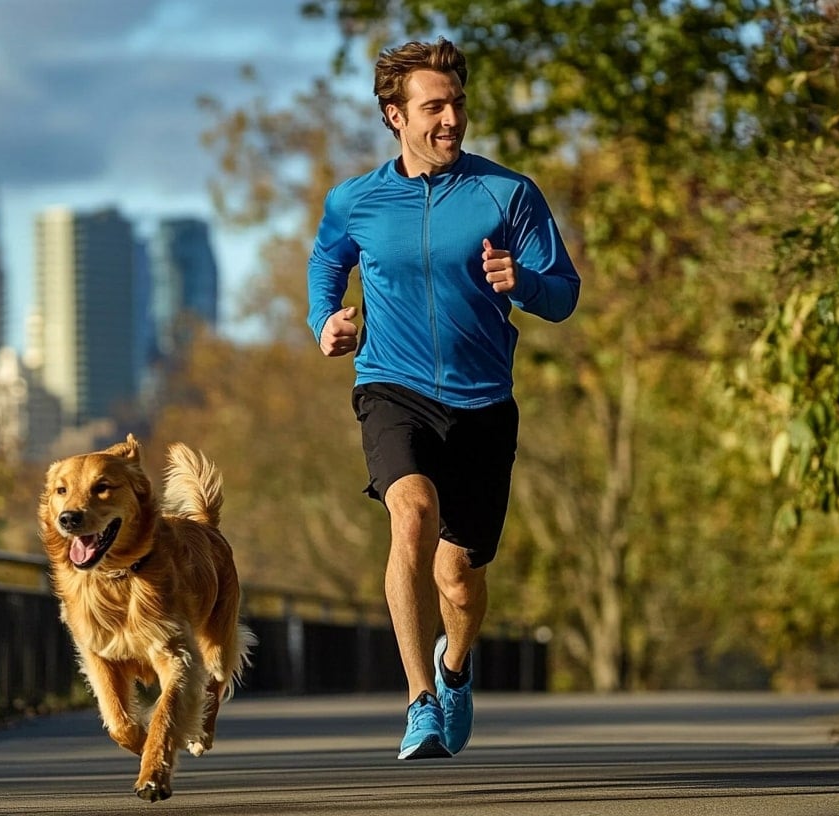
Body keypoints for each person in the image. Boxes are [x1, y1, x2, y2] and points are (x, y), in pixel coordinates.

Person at [307, 37, 580, 760]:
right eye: (435, 106)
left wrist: (523, 282)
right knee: (412, 513)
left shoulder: (507, 193)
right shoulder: (356, 200)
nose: (451, 118)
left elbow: (565, 296)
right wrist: (325, 320)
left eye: (457, 103)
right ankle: (419, 702)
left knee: (460, 579)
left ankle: (453, 670)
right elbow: (327, 258)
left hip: (485, 403)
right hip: (391, 386)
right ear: (396, 115)